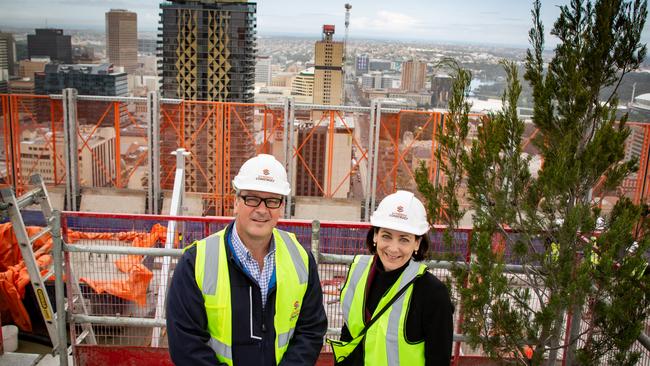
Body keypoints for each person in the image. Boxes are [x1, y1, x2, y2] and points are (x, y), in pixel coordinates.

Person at [166, 154, 327, 366]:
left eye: (272, 200)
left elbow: (311, 329)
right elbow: (186, 343)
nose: (261, 209)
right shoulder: (196, 263)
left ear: (281, 207)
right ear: (235, 203)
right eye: (251, 198)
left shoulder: (300, 259)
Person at [328, 190, 454, 365]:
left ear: (417, 243)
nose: (393, 249)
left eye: (404, 239)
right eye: (387, 236)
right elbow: (349, 333)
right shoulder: (358, 272)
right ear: (375, 236)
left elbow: (438, 359)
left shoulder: (432, 294)